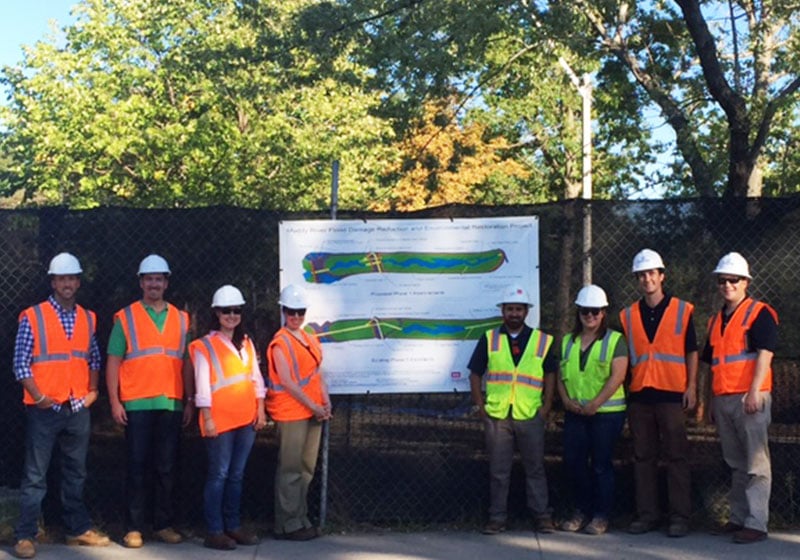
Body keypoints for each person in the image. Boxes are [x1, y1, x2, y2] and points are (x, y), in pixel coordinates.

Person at [12, 253, 110, 559]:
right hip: (44, 409)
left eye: (72, 279)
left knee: (76, 472)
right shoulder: (33, 316)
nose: (67, 284)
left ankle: (76, 529)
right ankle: (25, 535)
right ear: (53, 282)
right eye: (61, 279)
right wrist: (40, 398)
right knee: (35, 475)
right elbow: (20, 364)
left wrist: (92, 392)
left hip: (77, 406)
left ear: (78, 282)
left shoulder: (87, 317)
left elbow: (93, 358)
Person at [105, 254, 190, 548]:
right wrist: (115, 401)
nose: (154, 284)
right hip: (137, 403)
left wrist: (188, 400)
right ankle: (134, 527)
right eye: (149, 279)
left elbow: (186, 362)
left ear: (166, 283)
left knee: (166, 467)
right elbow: (114, 361)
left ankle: (163, 524)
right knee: (137, 465)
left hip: (171, 402)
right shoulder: (125, 317)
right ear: (141, 282)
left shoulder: (181, 318)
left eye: (159, 279)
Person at [619, 249, 698, 537]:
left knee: (677, 457)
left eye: (652, 273)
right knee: (643, 457)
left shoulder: (682, 310)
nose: (647, 279)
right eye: (641, 275)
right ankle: (647, 515)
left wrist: (691, 387)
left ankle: (680, 517)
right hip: (640, 395)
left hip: (672, 394)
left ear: (662, 276)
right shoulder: (627, 315)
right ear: (637, 280)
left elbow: (691, 350)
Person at [468, 284, 557, 535]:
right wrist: (480, 405)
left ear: (526, 312)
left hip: (530, 413)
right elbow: (475, 374)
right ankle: (497, 518)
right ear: (503, 312)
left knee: (536, 468)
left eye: (518, 309)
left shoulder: (542, 340)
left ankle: (542, 516)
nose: (514, 314)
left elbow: (551, 374)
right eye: (510, 309)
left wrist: (547, 405)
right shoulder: (489, 339)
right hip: (497, 415)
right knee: (498, 470)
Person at [702, 252, 778, 544]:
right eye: (722, 280)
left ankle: (757, 523)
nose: (727, 285)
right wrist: (709, 403)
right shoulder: (714, 321)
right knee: (735, 462)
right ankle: (738, 518)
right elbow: (713, 366)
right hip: (723, 398)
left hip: (750, 398)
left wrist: (755, 391)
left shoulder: (759, 313)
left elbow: (765, 354)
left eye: (733, 279)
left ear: (745, 282)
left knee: (757, 463)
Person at [189, 285, 267, 550]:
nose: (231, 316)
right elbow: (201, 386)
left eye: (236, 310)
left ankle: (232, 527)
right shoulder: (204, 346)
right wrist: (207, 418)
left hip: (245, 419)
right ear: (216, 313)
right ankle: (214, 530)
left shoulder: (246, 343)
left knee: (236, 475)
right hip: (219, 421)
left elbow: (255, 377)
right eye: (226, 311)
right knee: (219, 474)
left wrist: (260, 409)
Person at [557, 285, 627, 535]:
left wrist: (596, 404)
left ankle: (601, 515)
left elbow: (618, 376)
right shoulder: (567, 342)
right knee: (575, 463)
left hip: (606, 414)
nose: (590, 316)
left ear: (603, 313)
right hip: (575, 413)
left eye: (595, 312)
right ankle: (581, 510)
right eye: (585, 311)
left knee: (600, 465)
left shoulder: (615, 340)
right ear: (579, 313)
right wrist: (565, 400)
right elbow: (561, 377)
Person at [266, 284, 331, 541]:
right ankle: (287, 524)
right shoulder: (280, 342)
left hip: (312, 410)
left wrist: (324, 401)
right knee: (290, 469)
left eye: (299, 312)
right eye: (290, 312)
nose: (295, 317)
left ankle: (300, 517)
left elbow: (316, 373)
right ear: (283, 311)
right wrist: (314, 405)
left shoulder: (310, 339)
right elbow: (288, 382)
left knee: (306, 467)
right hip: (291, 412)